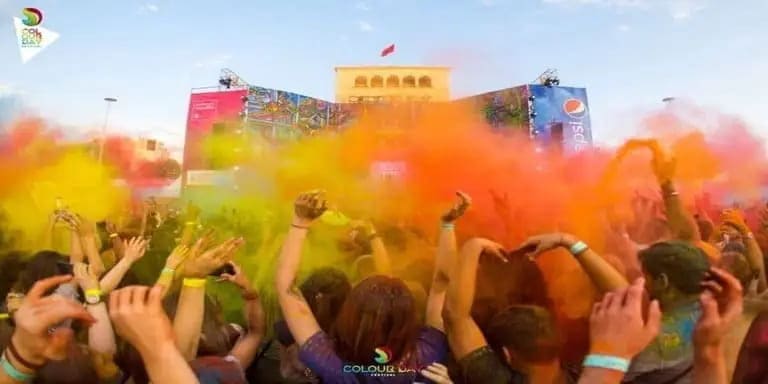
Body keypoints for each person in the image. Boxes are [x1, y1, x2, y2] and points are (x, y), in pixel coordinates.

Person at [276, 190, 453, 383]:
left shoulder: (333, 365)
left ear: (349, 315)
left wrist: (300, 223)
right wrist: (447, 225)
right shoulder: (428, 356)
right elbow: (440, 286)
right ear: (409, 319)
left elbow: (287, 288)